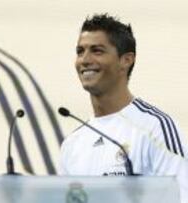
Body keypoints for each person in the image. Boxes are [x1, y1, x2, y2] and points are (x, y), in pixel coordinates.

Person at [59, 14, 188, 202]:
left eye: (97, 51)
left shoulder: (156, 127)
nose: (84, 60)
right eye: (80, 51)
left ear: (126, 60)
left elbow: (181, 196)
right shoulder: (72, 144)